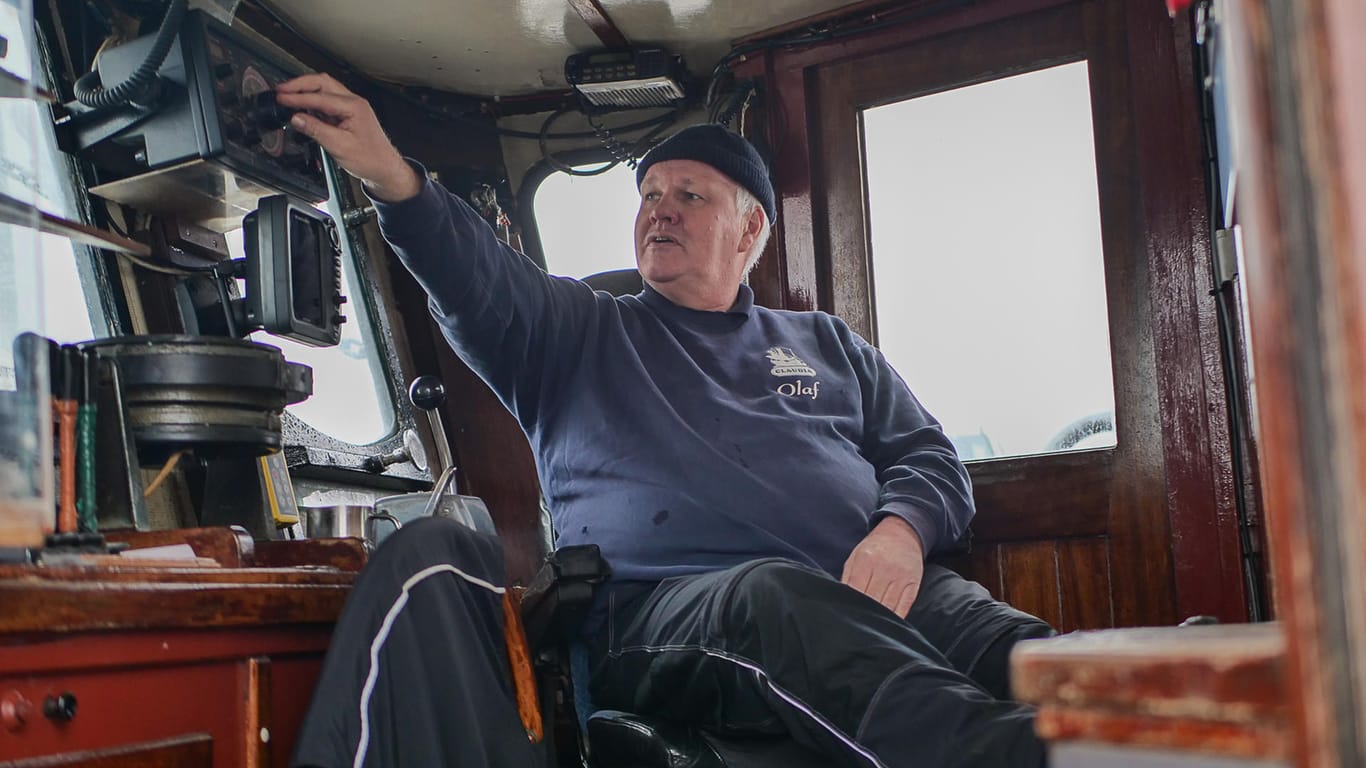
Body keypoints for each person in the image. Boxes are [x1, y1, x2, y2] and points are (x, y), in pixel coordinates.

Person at [278, 73, 1055, 768]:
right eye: (651, 194)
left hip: (866, 586)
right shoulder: (577, 332)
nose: (662, 211)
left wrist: (901, 532)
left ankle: (1147, 721)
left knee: (1022, 650)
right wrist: (394, 180)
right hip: (661, 615)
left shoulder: (825, 344)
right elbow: (475, 277)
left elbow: (929, 456)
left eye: (691, 196)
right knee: (774, 600)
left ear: (750, 231)